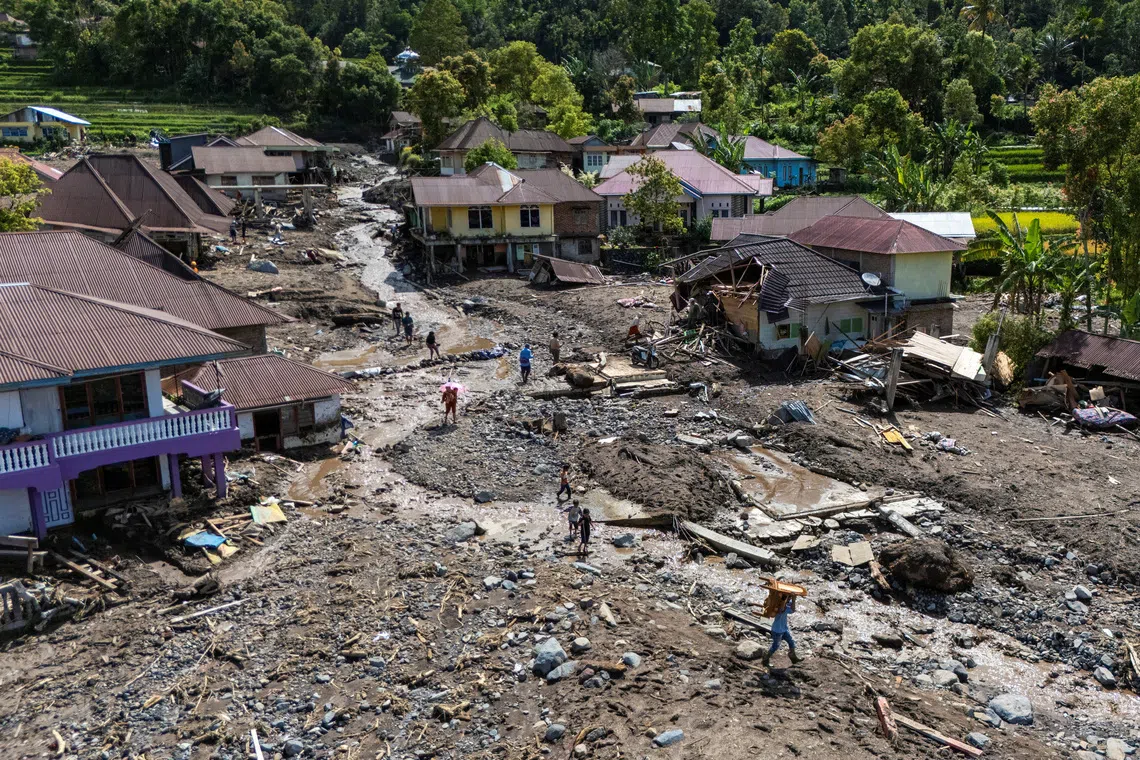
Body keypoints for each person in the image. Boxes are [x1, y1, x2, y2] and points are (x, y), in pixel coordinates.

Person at [762, 592, 802, 667]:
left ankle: (793, 657)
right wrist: (793, 600)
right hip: (777, 631)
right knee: (775, 646)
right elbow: (787, 609)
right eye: (788, 598)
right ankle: (765, 659)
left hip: (783, 629)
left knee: (791, 642)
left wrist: (792, 599)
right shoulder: (779, 606)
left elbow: (788, 606)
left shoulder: (785, 603)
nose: (789, 599)